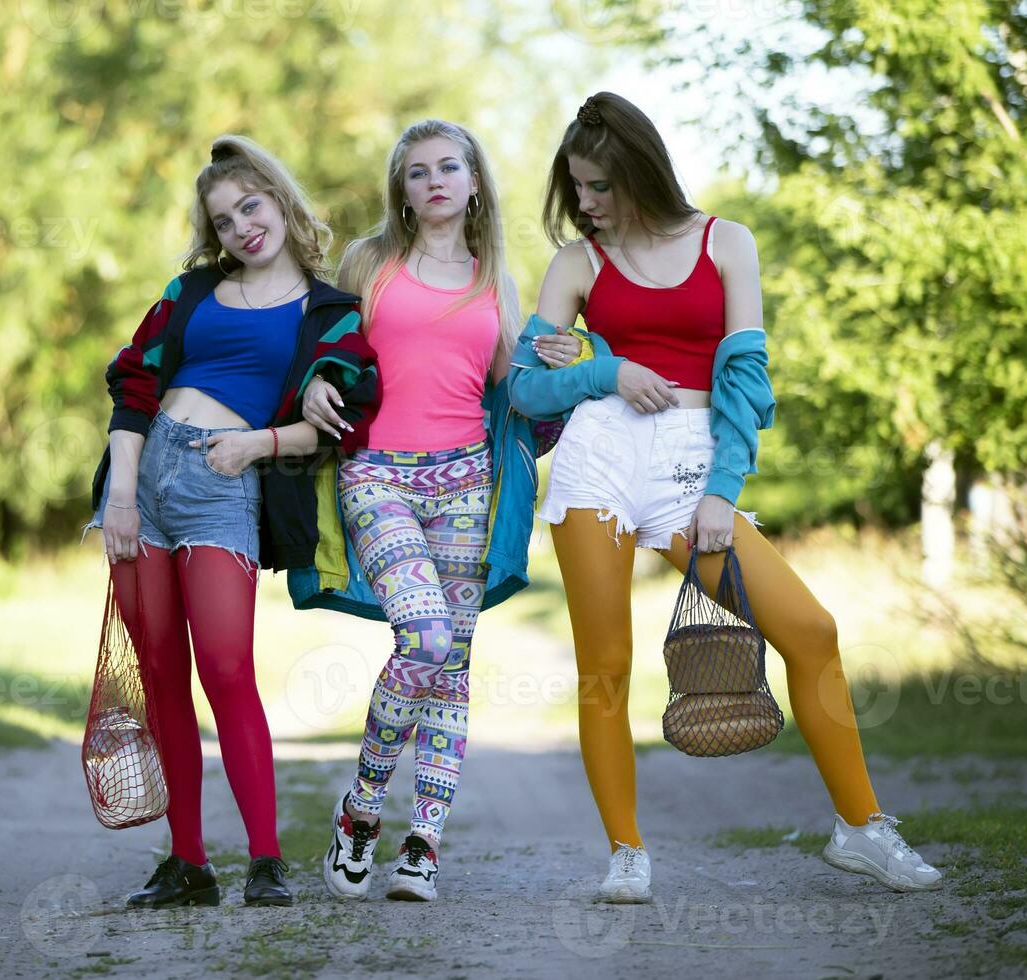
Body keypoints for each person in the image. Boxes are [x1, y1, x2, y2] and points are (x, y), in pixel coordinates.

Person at [508, 92, 944, 902]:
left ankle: (861, 829)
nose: (588, 205)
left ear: (641, 170)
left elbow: (744, 382)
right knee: (605, 665)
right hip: (599, 456)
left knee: (811, 631)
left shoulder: (725, 243)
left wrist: (722, 491)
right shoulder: (577, 264)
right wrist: (607, 371)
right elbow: (529, 390)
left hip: (691, 461)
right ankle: (627, 853)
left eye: (601, 186)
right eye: (578, 189)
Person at [84, 135, 380, 909]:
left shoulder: (333, 315)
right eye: (223, 221)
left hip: (224, 484)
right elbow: (134, 385)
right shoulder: (187, 293)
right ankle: (188, 864)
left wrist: (259, 442)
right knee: (161, 678)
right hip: (140, 481)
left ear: (280, 200)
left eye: (251, 205)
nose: (242, 227)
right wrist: (118, 497)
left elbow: (344, 422)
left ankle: (266, 861)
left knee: (225, 670)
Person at [292, 119, 539, 903]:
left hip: (466, 479)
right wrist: (311, 385)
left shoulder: (496, 278)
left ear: (473, 183)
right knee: (426, 637)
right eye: (417, 170)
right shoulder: (369, 264)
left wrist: (578, 371)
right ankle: (361, 808)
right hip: (378, 475)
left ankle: (423, 845)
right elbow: (318, 348)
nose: (434, 180)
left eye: (449, 167)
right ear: (400, 188)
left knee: (452, 666)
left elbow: (516, 393)